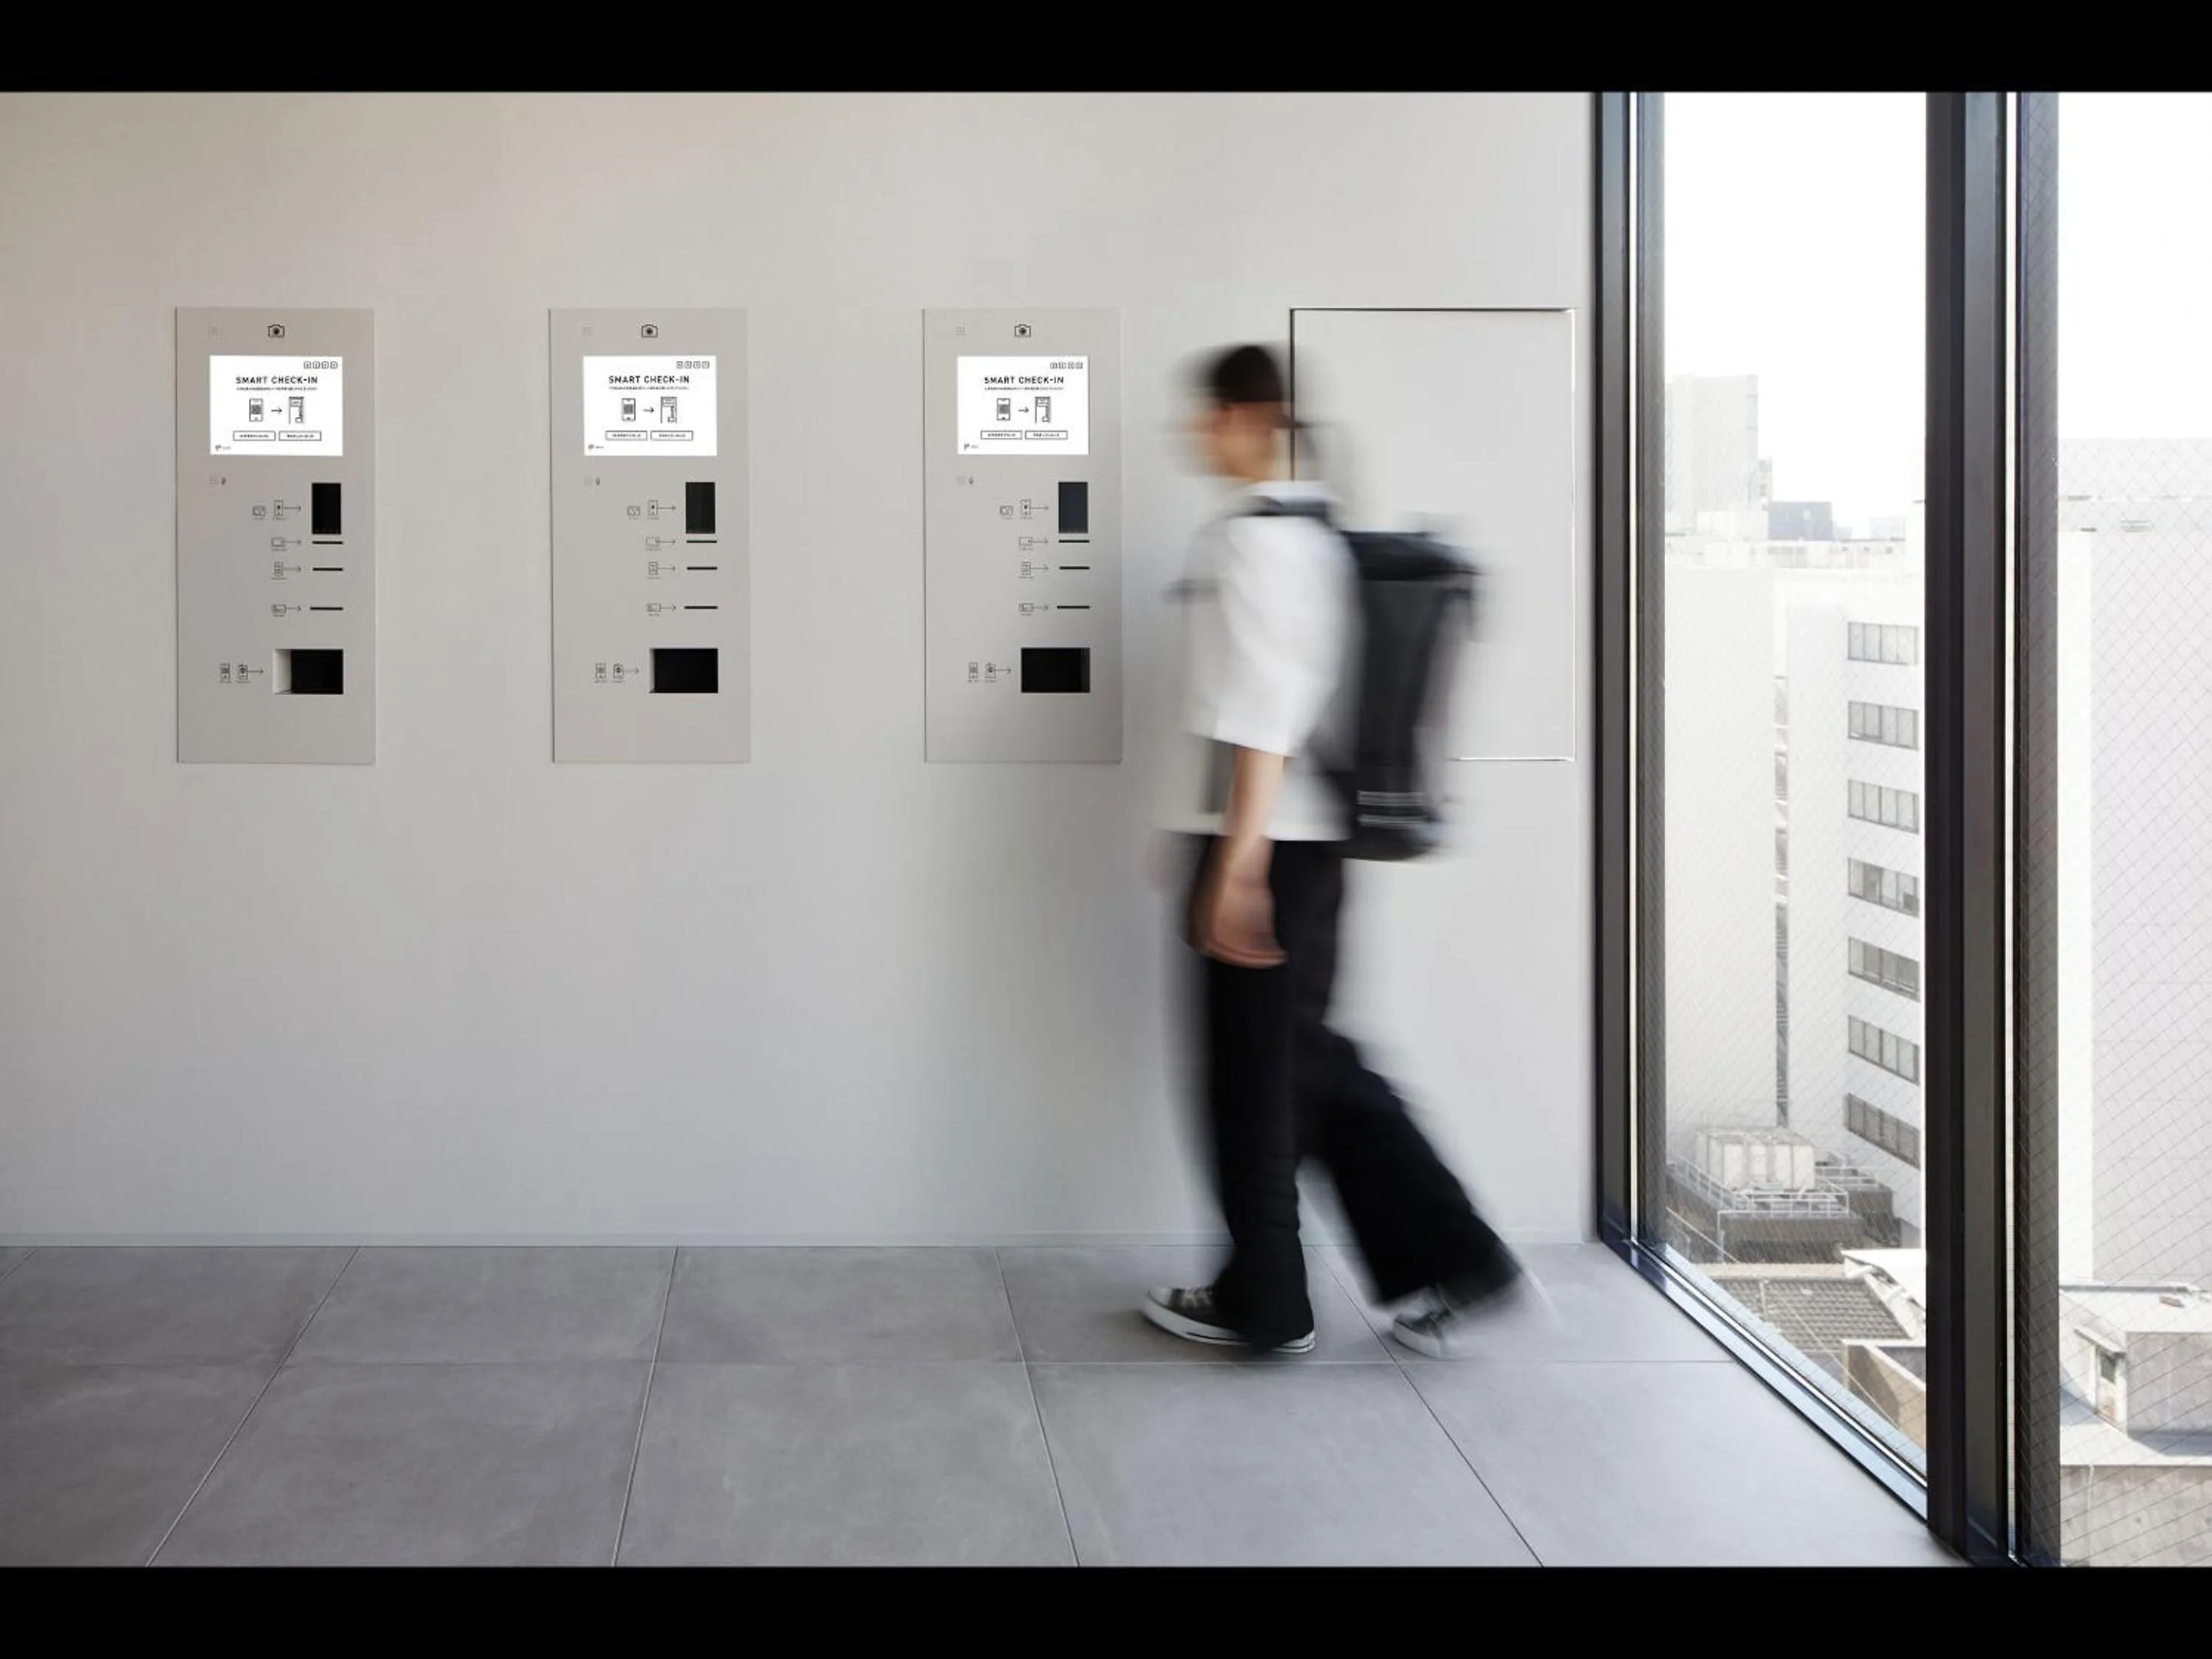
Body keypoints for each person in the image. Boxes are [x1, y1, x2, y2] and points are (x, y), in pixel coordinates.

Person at [1144, 343, 1527, 1358]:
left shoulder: (1260, 543)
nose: (1192, 433)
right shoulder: (1304, 532)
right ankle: (1422, 1260)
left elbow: (1268, 708)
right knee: (1294, 1064)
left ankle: (1273, 1297)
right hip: (1297, 843)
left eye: (1205, 413)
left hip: (1276, 844)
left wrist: (1236, 863)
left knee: (1262, 1077)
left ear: (1247, 416)